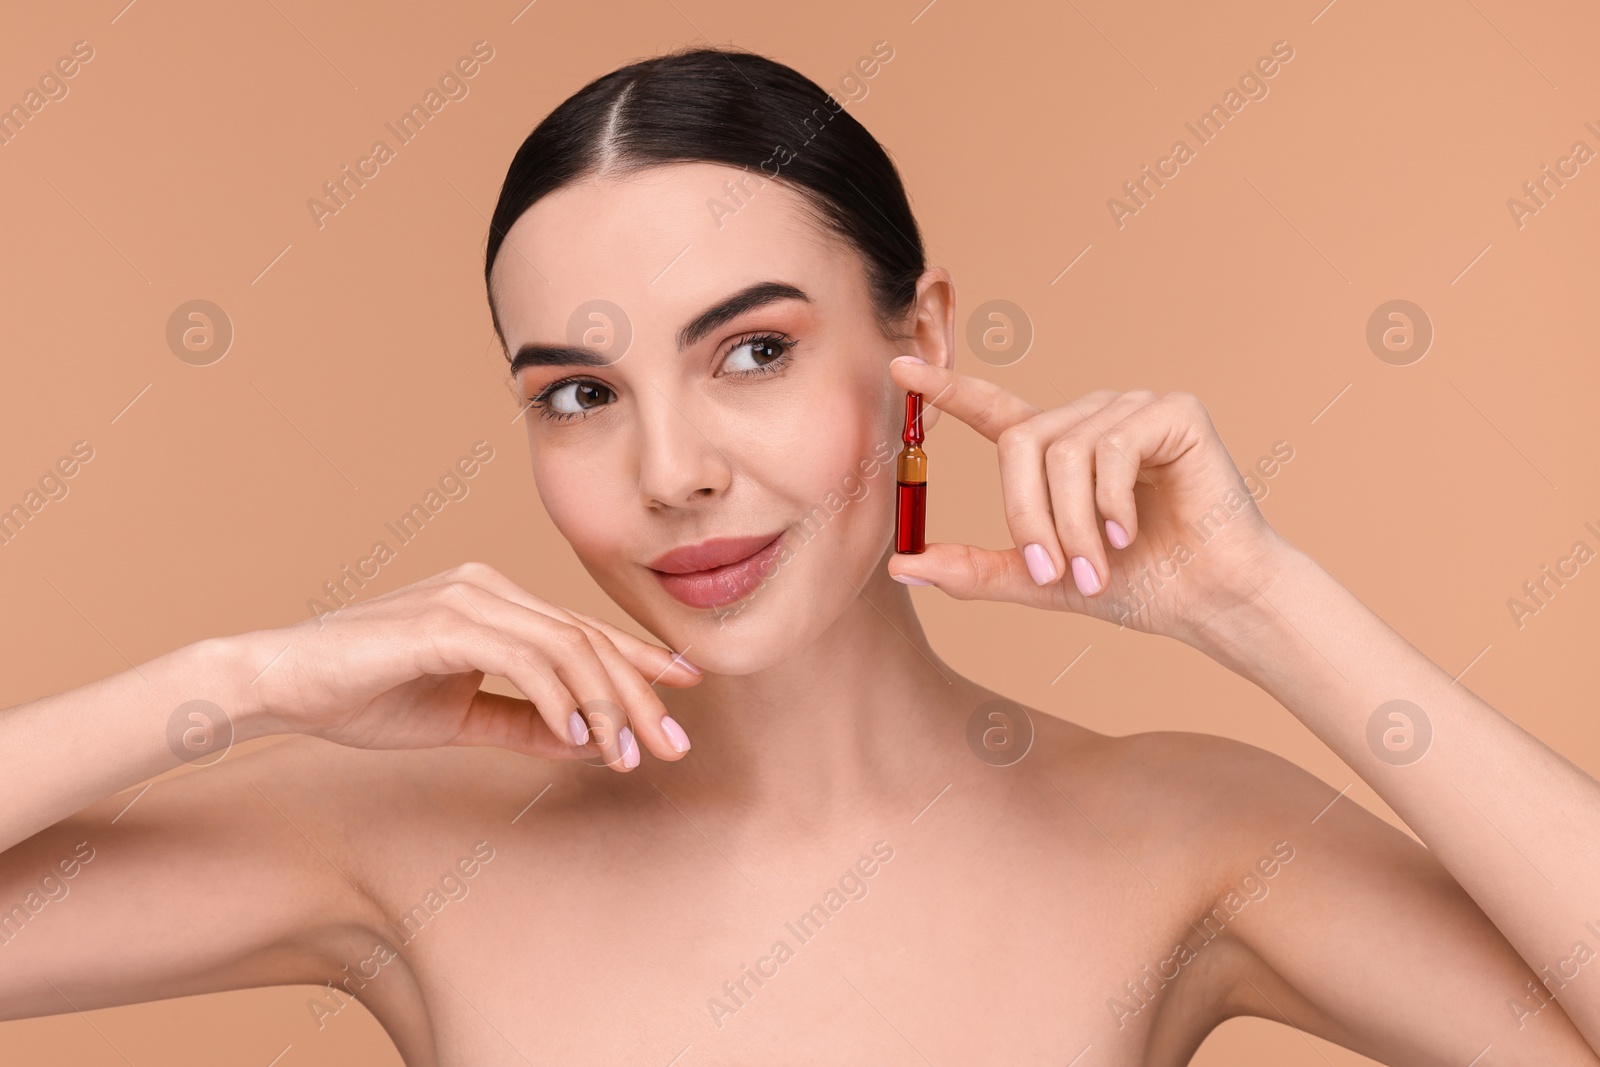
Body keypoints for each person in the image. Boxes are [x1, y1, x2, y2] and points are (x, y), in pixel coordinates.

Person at [3, 46, 1598, 1067]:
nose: (674, 470)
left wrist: (1267, 606)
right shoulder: (405, 839)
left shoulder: (1186, 833)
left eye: (751, 353)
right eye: (580, 393)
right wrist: (236, 681)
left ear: (923, 340)